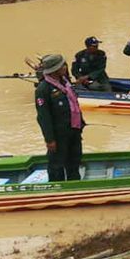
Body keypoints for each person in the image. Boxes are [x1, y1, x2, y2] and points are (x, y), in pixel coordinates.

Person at [35, 54, 85, 182]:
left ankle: (74, 187)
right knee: (56, 165)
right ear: (55, 69)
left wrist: (81, 124)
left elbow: (73, 104)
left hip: (73, 129)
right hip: (58, 134)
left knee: (74, 161)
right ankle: (57, 190)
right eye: (62, 65)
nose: (65, 67)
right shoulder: (43, 89)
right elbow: (43, 116)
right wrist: (49, 139)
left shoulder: (65, 81)